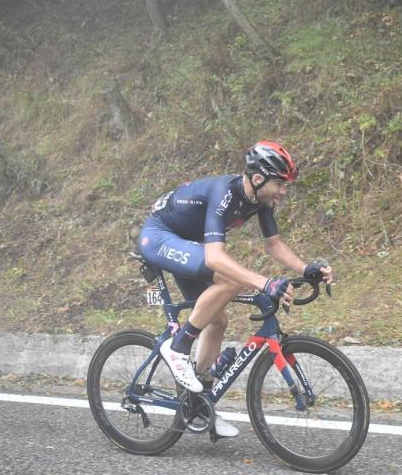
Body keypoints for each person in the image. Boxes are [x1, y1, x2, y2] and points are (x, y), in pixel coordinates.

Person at [136, 140, 333, 438]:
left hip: (187, 245)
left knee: (218, 319)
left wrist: (306, 269)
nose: (284, 192)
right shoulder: (225, 194)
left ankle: (197, 401)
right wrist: (265, 282)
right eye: (280, 184)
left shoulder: (260, 201)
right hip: (160, 236)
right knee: (230, 280)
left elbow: (274, 245)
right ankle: (177, 348)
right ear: (258, 178)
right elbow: (215, 257)